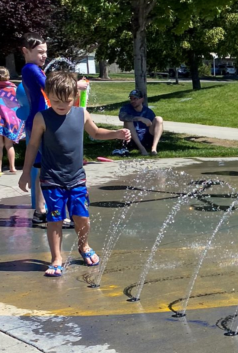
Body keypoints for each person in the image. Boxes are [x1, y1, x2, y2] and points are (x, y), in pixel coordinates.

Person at [18, 69, 130, 277]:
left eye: (66, 101)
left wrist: (116, 133)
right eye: (55, 100)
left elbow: (95, 133)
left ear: (75, 97)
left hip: (76, 178)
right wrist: (26, 173)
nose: (60, 105)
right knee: (55, 219)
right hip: (52, 178)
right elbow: (32, 146)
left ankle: (84, 246)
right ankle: (56, 258)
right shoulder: (42, 118)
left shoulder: (81, 114)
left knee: (82, 217)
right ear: (47, 96)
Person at [20, 36, 49, 225]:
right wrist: (75, 85)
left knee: (41, 168)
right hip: (39, 123)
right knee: (51, 167)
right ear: (26, 51)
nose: (44, 55)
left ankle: (40, 211)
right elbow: (50, 87)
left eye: (45, 52)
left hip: (37, 121)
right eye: (40, 52)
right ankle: (55, 211)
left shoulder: (33, 69)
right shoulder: (31, 69)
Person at [118, 90, 164, 155]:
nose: (132, 101)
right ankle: (142, 149)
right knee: (128, 121)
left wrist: (150, 124)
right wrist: (140, 118)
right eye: (131, 99)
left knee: (159, 119)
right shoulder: (126, 108)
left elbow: (152, 125)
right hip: (132, 139)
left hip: (146, 137)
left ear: (142, 99)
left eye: (135, 99)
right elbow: (122, 117)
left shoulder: (148, 111)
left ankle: (154, 149)